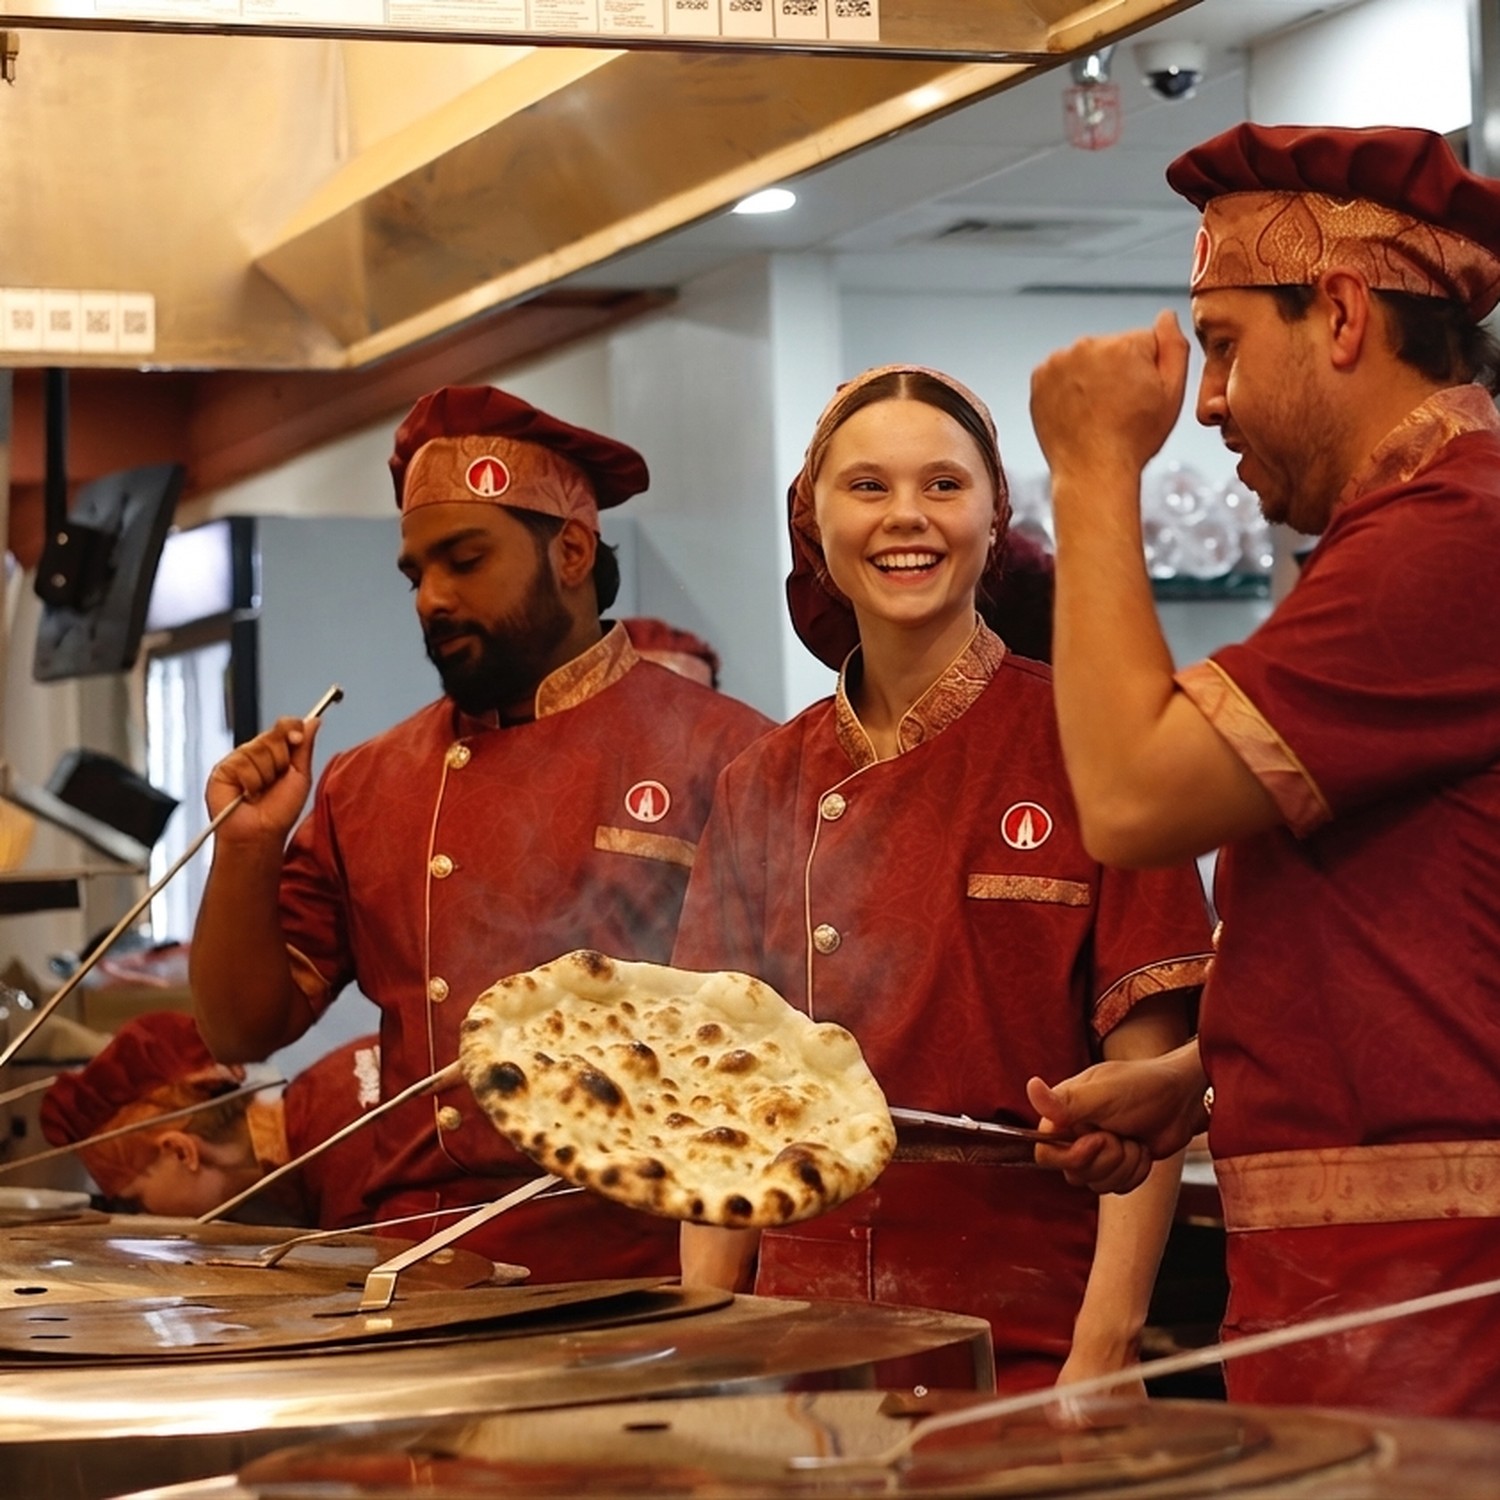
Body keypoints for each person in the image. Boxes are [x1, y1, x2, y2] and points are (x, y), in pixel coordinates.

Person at [1026, 123, 1500, 1418]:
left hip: (1440, 1319)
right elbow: (1414, 918)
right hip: (1370, 1309)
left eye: (1224, 345)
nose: (1212, 400)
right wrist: (1202, 1071)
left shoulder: (1457, 529)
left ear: (1341, 314)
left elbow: (1130, 798)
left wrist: (1089, 469)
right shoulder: (1418, 525)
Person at [673, 364, 1213, 1393]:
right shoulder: (762, 781)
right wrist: (707, 1347)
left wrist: (1104, 1352)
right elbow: (718, 1108)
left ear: (995, 514)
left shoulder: (1092, 741)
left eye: (944, 486)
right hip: (796, 1342)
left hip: (1025, 1334)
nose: (905, 517)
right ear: (813, 518)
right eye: (867, 487)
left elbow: (1150, 1088)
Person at [189, 386, 772, 1279]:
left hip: (637, 1272)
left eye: (464, 560)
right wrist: (245, 844)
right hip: (415, 1273)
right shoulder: (370, 779)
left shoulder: (726, 754)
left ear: (571, 551)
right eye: (416, 573)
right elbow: (241, 1027)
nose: (432, 598)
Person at [39, 1010, 382, 1227]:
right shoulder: (322, 1084)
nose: (144, 1216)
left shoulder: (346, 1178)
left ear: (179, 1151)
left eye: (134, 1200)